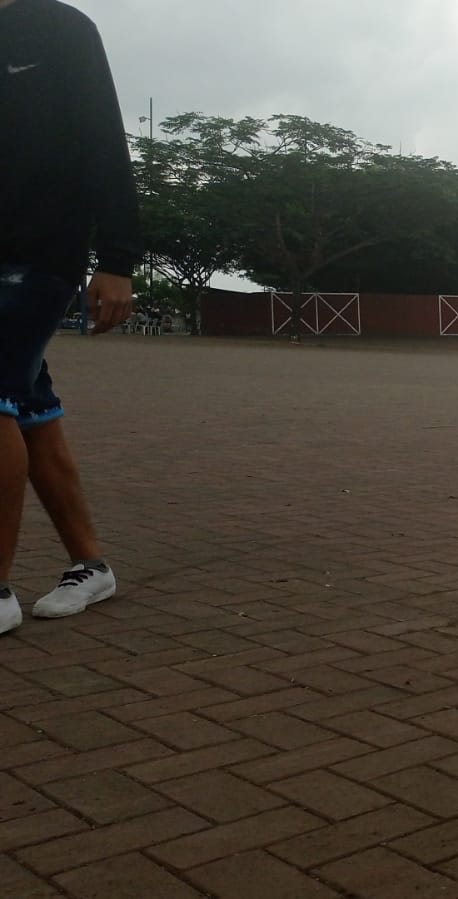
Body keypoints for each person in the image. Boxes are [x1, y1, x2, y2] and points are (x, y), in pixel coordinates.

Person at [1, 0, 141, 635]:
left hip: (40, 254)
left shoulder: (62, 28)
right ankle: (91, 565)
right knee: (27, 408)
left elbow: (103, 140)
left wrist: (117, 259)